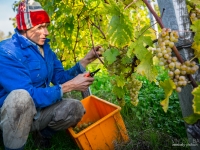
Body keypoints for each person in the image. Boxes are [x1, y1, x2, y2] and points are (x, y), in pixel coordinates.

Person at [0, 0, 102, 149]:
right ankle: (14, 146)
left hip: (39, 111)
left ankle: (42, 136)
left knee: (76, 108)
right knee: (20, 98)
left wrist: (85, 61)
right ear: (25, 27)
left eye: (46, 26)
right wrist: (69, 86)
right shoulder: (7, 52)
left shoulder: (46, 50)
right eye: (40, 27)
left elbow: (60, 78)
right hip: (13, 117)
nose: (46, 32)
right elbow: (30, 95)